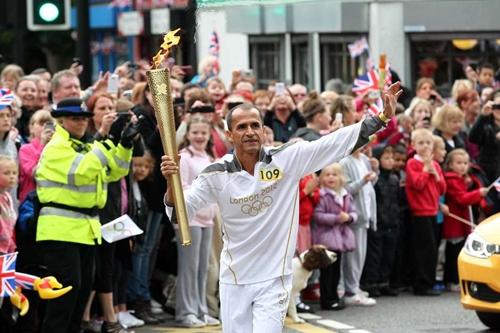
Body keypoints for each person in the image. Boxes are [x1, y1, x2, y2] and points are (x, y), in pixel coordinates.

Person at [161, 83, 402, 332]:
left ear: (264, 130)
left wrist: (381, 118)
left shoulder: (286, 159)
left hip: (274, 278)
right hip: (235, 279)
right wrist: (171, 181)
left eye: (255, 125)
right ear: (229, 135)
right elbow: (179, 214)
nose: (250, 132)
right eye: (241, 127)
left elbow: (332, 144)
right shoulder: (216, 173)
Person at [35, 98, 133, 333]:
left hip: (85, 229)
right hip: (60, 229)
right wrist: (104, 139)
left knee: (80, 294)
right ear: (60, 121)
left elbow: (115, 171)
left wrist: (124, 145)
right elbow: (82, 172)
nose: (80, 123)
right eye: (74, 118)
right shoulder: (58, 146)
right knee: (65, 294)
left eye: (83, 118)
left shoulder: (85, 146)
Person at [175, 115, 220, 328]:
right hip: (189, 220)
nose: (199, 136)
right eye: (195, 132)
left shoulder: (209, 156)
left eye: (203, 132)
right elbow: (182, 188)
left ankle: (201, 310)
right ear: (188, 134)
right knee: (189, 268)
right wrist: (199, 208)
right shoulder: (184, 157)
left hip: (207, 220)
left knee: (203, 268)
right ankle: (186, 312)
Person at [405, 128, 446, 296]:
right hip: (420, 211)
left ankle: (429, 281)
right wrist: (425, 170)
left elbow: (442, 188)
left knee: (432, 248)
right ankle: (421, 284)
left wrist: (434, 172)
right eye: (421, 143)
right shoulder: (412, 163)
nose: (425, 146)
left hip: (433, 211)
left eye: (428, 143)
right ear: (413, 145)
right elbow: (417, 185)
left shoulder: (435, 164)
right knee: (424, 249)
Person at [442, 149, 488, 291]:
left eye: (465, 163)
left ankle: (454, 280)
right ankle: (452, 280)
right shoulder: (451, 179)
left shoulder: (460, 179)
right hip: (455, 223)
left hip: (461, 221)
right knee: (454, 252)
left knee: (458, 250)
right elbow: (461, 199)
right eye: (459, 163)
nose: (463, 166)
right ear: (450, 165)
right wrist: (478, 193)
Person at [313, 163, 356, 311]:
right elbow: (318, 216)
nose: (331, 177)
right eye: (327, 174)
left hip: (340, 238)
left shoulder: (345, 194)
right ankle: (327, 300)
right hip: (326, 239)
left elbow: (354, 212)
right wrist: (337, 218)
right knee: (327, 272)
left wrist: (349, 218)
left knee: (337, 270)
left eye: (334, 174)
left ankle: (334, 297)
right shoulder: (322, 195)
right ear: (321, 178)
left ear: (341, 178)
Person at [339, 146, 377, 306]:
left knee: (360, 255)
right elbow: (345, 189)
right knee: (352, 256)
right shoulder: (345, 161)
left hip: (365, 214)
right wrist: (363, 180)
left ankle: (354, 286)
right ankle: (350, 290)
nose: (365, 144)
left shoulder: (364, 159)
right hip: (354, 216)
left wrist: (375, 171)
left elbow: (370, 185)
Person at [361, 145, 400, 297]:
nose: (390, 162)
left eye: (392, 158)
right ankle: (371, 282)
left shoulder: (394, 178)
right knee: (375, 255)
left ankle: (384, 282)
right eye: (386, 158)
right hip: (379, 222)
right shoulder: (375, 179)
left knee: (388, 255)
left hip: (392, 222)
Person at [18, 109, 54, 202]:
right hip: (30, 201)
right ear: (31, 128)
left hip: (50, 199)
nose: (45, 128)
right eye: (42, 124)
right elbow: (34, 173)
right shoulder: (25, 149)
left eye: (49, 124)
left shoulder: (58, 148)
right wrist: (43, 144)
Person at [0, 155, 18, 254]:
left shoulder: (8, 197)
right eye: (6, 173)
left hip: (6, 248)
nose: (11, 177)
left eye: (14, 173)